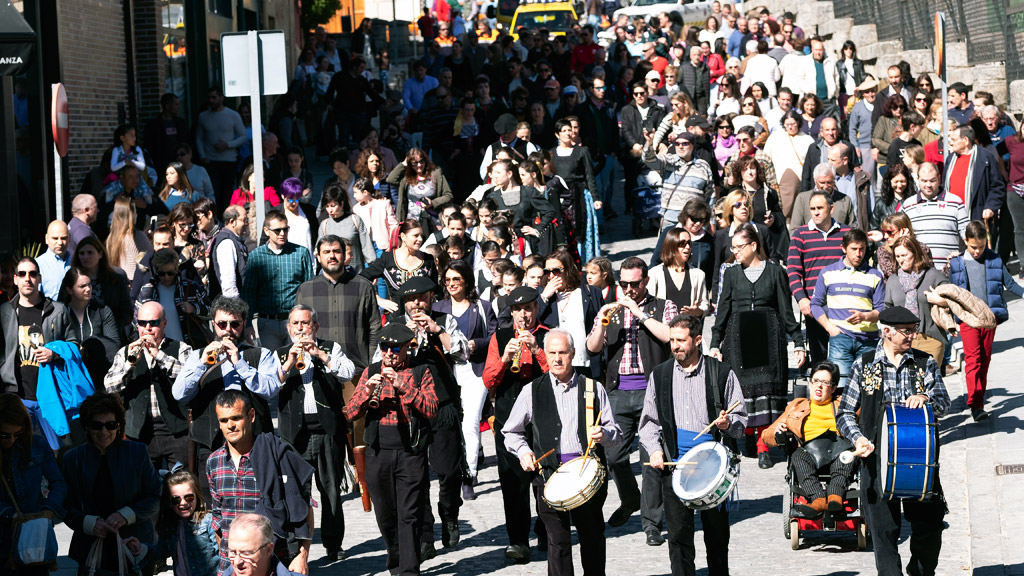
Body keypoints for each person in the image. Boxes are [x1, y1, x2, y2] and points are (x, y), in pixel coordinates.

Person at [836, 306, 949, 576]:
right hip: (876, 461)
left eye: (913, 330)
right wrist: (859, 437)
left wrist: (927, 399)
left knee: (930, 525)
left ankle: (920, 571)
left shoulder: (925, 363)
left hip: (920, 460)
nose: (912, 336)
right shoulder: (864, 365)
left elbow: (945, 403)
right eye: (906, 331)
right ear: (886, 331)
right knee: (884, 534)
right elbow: (845, 412)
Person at [503, 328, 623, 575]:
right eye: (552, 353)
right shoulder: (532, 390)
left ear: (573, 354)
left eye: (562, 353)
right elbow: (510, 432)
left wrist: (605, 433)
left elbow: (616, 432)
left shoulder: (593, 388)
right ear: (545, 355)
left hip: (586, 479)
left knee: (592, 538)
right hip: (548, 478)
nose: (557, 359)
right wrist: (524, 452)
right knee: (557, 541)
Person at [638, 314, 747, 576]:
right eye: (672, 340)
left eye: (681, 340)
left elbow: (741, 419)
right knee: (678, 538)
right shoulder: (660, 375)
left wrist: (726, 425)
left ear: (697, 340)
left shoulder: (722, 372)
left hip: (712, 471)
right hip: (675, 468)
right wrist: (654, 449)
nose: (675, 345)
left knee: (717, 539)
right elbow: (649, 422)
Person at [584, 257, 675, 541]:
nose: (628, 289)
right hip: (618, 391)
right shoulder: (610, 309)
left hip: (651, 391)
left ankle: (651, 524)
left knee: (651, 461)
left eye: (634, 284)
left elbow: (670, 337)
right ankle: (630, 498)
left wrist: (640, 314)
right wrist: (600, 322)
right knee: (613, 455)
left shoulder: (663, 306)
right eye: (623, 284)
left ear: (645, 281)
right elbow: (592, 347)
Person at [344, 322, 439, 576]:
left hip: (410, 452)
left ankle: (408, 571)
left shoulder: (420, 371)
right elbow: (350, 413)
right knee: (386, 515)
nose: (389, 353)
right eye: (385, 347)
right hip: (378, 451)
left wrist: (402, 386)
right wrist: (365, 393)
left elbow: (431, 408)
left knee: (408, 514)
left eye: (395, 348)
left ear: (408, 347)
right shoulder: (371, 371)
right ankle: (396, 562)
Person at [711, 224, 805, 468]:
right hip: (738, 339)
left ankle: (764, 445)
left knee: (767, 394)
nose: (735, 251)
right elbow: (722, 311)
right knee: (744, 392)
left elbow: (786, 311)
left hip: (769, 338)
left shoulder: (775, 272)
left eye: (739, 246)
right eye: (732, 247)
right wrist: (714, 342)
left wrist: (798, 342)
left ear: (754, 245)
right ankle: (749, 438)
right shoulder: (731, 273)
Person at [172, 296, 283, 495]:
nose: (228, 330)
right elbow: (179, 394)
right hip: (211, 442)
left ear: (243, 324)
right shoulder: (197, 356)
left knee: (257, 502)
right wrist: (202, 364)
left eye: (235, 324)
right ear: (213, 324)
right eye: (222, 324)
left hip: (253, 441)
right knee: (213, 503)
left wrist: (240, 363)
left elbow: (271, 389)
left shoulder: (261, 354)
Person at [275, 304, 354, 562]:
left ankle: (333, 544)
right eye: (295, 324)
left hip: (326, 433)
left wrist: (320, 354)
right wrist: (289, 361)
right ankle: (297, 547)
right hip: (294, 435)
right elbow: (270, 386)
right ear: (288, 329)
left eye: (305, 323)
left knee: (330, 490)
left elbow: (348, 373)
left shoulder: (330, 348)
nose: (300, 329)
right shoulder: (279, 353)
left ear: (315, 327)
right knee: (295, 493)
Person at [207, 389, 314, 575]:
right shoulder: (214, 462)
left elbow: (304, 507)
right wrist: (228, 559)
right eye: (224, 420)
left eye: (236, 418)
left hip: (274, 563)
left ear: (251, 415)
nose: (230, 425)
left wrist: (302, 555)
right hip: (231, 567)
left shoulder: (275, 454)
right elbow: (218, 518)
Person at [483, 286, 550, 561]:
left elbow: (560, 373)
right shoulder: (499, 338)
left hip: (543, 416)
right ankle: (518, 540)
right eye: (519, 310)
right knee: (513, 483)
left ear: (536, 308)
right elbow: (488, 381)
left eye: (530, 308)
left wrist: (538, 351)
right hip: (509, 418)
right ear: (511, 312)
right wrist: (504, 359)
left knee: (546, 478)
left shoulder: (548, 335)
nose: (525, 314)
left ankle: (548, 532)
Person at [61, 393, 162, 576]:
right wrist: (88, 523)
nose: (104, 432)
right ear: (86, 427)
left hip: (134, 542)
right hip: (92, 545)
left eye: (110, 425)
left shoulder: (137, 452)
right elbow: (65, 505)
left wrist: (127, 514)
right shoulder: (73, 459)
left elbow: (154, 496)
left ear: (119, 425)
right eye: (96, 426)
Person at [946, 221, 1024, 420]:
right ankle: (976, 403)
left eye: (981, 247)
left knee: (985, 359)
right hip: (968, 319)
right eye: (973, 247)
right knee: (973, 360)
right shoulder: (957, 263)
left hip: (989, 319)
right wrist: (951, 320)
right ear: (965, 241)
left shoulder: (995, 259)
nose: (977, 251)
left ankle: (978, 400)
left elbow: (1010, 283)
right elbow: (951, 294)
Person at [433, 260, 496, 499]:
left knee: (469, 422)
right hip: (446, 372)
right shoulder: (438, 308)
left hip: (474, 370)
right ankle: (449, 470)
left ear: (466, 280)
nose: (451, 284)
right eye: (447, 280)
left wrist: (476, 344)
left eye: (456, 279)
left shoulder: (482, 307)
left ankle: (468, 474)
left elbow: (493, 337)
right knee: (448, 424)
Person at [104, 300, 192, 471]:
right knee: (141, 488)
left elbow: (188, 380)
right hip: (139, 432)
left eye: (154, 322)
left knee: (181, 484)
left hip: (175, 431)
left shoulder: (181, 348)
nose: (148, 328)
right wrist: (129, 365)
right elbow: (110, 387)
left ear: (165, 323)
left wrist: (159, 355)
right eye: (142, 323)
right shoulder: (125, 352)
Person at [761, 361, 855, 514]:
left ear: (833, 388)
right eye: (816, 381)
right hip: (810, 452)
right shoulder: (796, 406)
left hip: (838, 449)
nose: (819, 386)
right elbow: (766, 436)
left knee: (847, 456)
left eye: (824, 383)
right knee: (797, 456)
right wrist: (778, 433)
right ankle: (818, 499)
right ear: (810, 384)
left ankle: (835, 496)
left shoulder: (844, 405)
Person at [0, 393, 68, 576]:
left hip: (33, 534)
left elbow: (58, 483)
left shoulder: (37, 445)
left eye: (17, 434)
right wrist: (9, 514)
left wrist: (48, 510)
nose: (11, 440)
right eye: (4, 435)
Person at [809, 229, 885, 384]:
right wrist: (830, 328)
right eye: (854, 249)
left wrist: (865, 316)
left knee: (870, 387)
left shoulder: (875, 275)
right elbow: (815, 304)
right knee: (840, 387)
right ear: (843, 248)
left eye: (862, 249)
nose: (858, 254)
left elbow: (881, 309)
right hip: (840, 339)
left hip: (868, 340)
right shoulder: (827, 273)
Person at [787, 190, 851, 366]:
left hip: (844, 302)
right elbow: (793, 271)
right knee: (819, 357)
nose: (815, 212)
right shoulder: (800, 234)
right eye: (812, 208)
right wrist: (801, 299)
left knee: (845, 355)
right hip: (815, 305)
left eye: (819, 208)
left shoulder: (847, 232)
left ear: (831, 208)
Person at [240, 210, 314, 351]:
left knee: (298, 365)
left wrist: (310, 321)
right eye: (277, 230)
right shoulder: (256, 256)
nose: (282, 233)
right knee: (272, 365)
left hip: (296, 321)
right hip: (267, 322)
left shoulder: (300, 253)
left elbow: (309, 290)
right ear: (267, 231)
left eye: (285, 229)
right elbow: (249, 292)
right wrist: (248, 324)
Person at [139, 467, 219, 576]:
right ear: (169, 502)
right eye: (176, 499)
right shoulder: (170, 526)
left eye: (189, 497)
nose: (183, 503)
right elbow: (161, 551)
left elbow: (221, 555)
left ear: (197, 496)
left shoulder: (208, 521)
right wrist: (141, 548)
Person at [884, 236, 949, 366]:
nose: (901, 260)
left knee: (928, 383)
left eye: (904, 255)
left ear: (915, 253)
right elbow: (887, 310)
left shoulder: (933, 276)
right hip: (901, 342)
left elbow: (953, 301)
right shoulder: (893, 280)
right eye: (897, 256)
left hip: (930, 339)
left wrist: (940, 300)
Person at [135, 248, 211, 347]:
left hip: (188, 346)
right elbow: (136, 320)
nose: (166, 277)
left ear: (176, 269)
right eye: (162, 273)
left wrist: (193, 308)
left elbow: (211, 311)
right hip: (156, 346)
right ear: (156, 270)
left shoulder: (191, 288)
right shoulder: (147, 290)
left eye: (170, 273)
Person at [899, 162, 969, 270]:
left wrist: (963, 256)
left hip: (950, 269)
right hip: (920, 271)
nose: (928, 185)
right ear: (917, 179)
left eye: (932, 180)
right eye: (924, 181)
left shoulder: (955, 202)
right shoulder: (908, 205)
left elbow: (967, 235)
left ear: (939, 178)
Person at [57, 267, 120, 384]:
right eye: (82, 286)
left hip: (99, 376)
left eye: (89, 285)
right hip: (69, 378)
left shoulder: (102, 311)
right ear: (70, 290)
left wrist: (89, 348)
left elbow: (114, 346)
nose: (88, 289)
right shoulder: (59, 313)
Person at [360, 219, 438, 313]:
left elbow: (436, 288)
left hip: (424, 315)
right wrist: (378, 299)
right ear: (403, 236)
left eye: (421, 235)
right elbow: (361, 278)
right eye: (416, 235)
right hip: (397, 316)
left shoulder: (427, 259)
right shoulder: (387, 259)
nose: (420, 239)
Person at [196, 87, 248, 212]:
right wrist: (203, 156)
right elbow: (199, 138)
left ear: (221, 98)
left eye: (214, 97)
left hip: (229, 161)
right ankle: (215, 219)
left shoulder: (233, 115)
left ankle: (227, 218)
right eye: (209, 98)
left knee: (228, 193)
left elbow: (243, 136)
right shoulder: (203, 117)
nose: (211, 100)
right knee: (214, 192)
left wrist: (228, 144)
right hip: (211, 161)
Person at [71, 236, 133, 338]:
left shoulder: (117, 277)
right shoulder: (72, 278)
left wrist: (112, 326)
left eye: (90, 252)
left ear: (100, 254)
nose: (85, 257)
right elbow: (64, 306)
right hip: (81, 335)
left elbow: (127, 312)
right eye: (81, 253)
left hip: (112, 336)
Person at [943, 124, 1006, 221]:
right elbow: (944, 185)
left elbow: (997, 186)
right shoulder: (951, 159)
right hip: (951, 215)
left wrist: (990, 207)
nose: (951, 143)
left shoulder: (985, 157)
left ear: (966, 140)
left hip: (976, 215)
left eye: (954, 140)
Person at [764, 110, 814, 220]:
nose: (790, 127)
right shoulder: (775, 137)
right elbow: (766, 158)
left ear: (798, 123)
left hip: (801, 180)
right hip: (779, 180)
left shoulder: (807, 139)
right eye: (787, 124)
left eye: (793, 124)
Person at [648, 228, 710, 315]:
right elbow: (649, 306)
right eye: (682, 244)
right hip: (664, 327)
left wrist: (697, 311)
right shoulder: (654, 273)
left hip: (689, 327)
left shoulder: (698, 274)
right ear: (671, 246)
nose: (687, 247)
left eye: (689, 243)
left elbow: (704, 305)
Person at [789, 164, 856, 232]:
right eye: (822, 183)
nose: (826, 186)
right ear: (815, 181)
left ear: (834, 181)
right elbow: (794, 230)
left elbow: (852, 229)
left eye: (829, 182)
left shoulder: (845, 201)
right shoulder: (802, 199)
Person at [105, 196, 152, 283]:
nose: (137, 214)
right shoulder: (136, 235)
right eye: (135, 211)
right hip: (136, 283)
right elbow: (151, 256)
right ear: (130, 215)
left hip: (118, 282)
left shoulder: (111, 237)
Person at [208, 205, 249, 299]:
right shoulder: (227, 243)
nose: (247, 223)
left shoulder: (235, 240)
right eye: (244, 220)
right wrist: (234, 307)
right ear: (232, 222)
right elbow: (228, 281)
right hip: (231, 307)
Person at [277, 178, 320, 263]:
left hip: (309, 262)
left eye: (297, 199)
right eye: (289, 199)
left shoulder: (309, 211)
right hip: (285, 263)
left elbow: (317, 234)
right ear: (282, 195)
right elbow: (265, 240)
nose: (293, 203)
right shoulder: (275, 213)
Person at [849, 77, 879, 189]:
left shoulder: (881, 104)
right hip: (865, 146)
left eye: (873, 91)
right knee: (868, 178)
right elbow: (852, 128)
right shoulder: (858, 107)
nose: (871, 94)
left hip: (880, 145)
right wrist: (855, 146)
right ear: (863, 94)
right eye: (867, 92)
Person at [39, 220, 71, 300]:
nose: (60, 242)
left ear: (69, 238)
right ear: (47, 239)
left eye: (63, 238)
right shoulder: (38, 265)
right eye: (55, 238)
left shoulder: (76, 261)